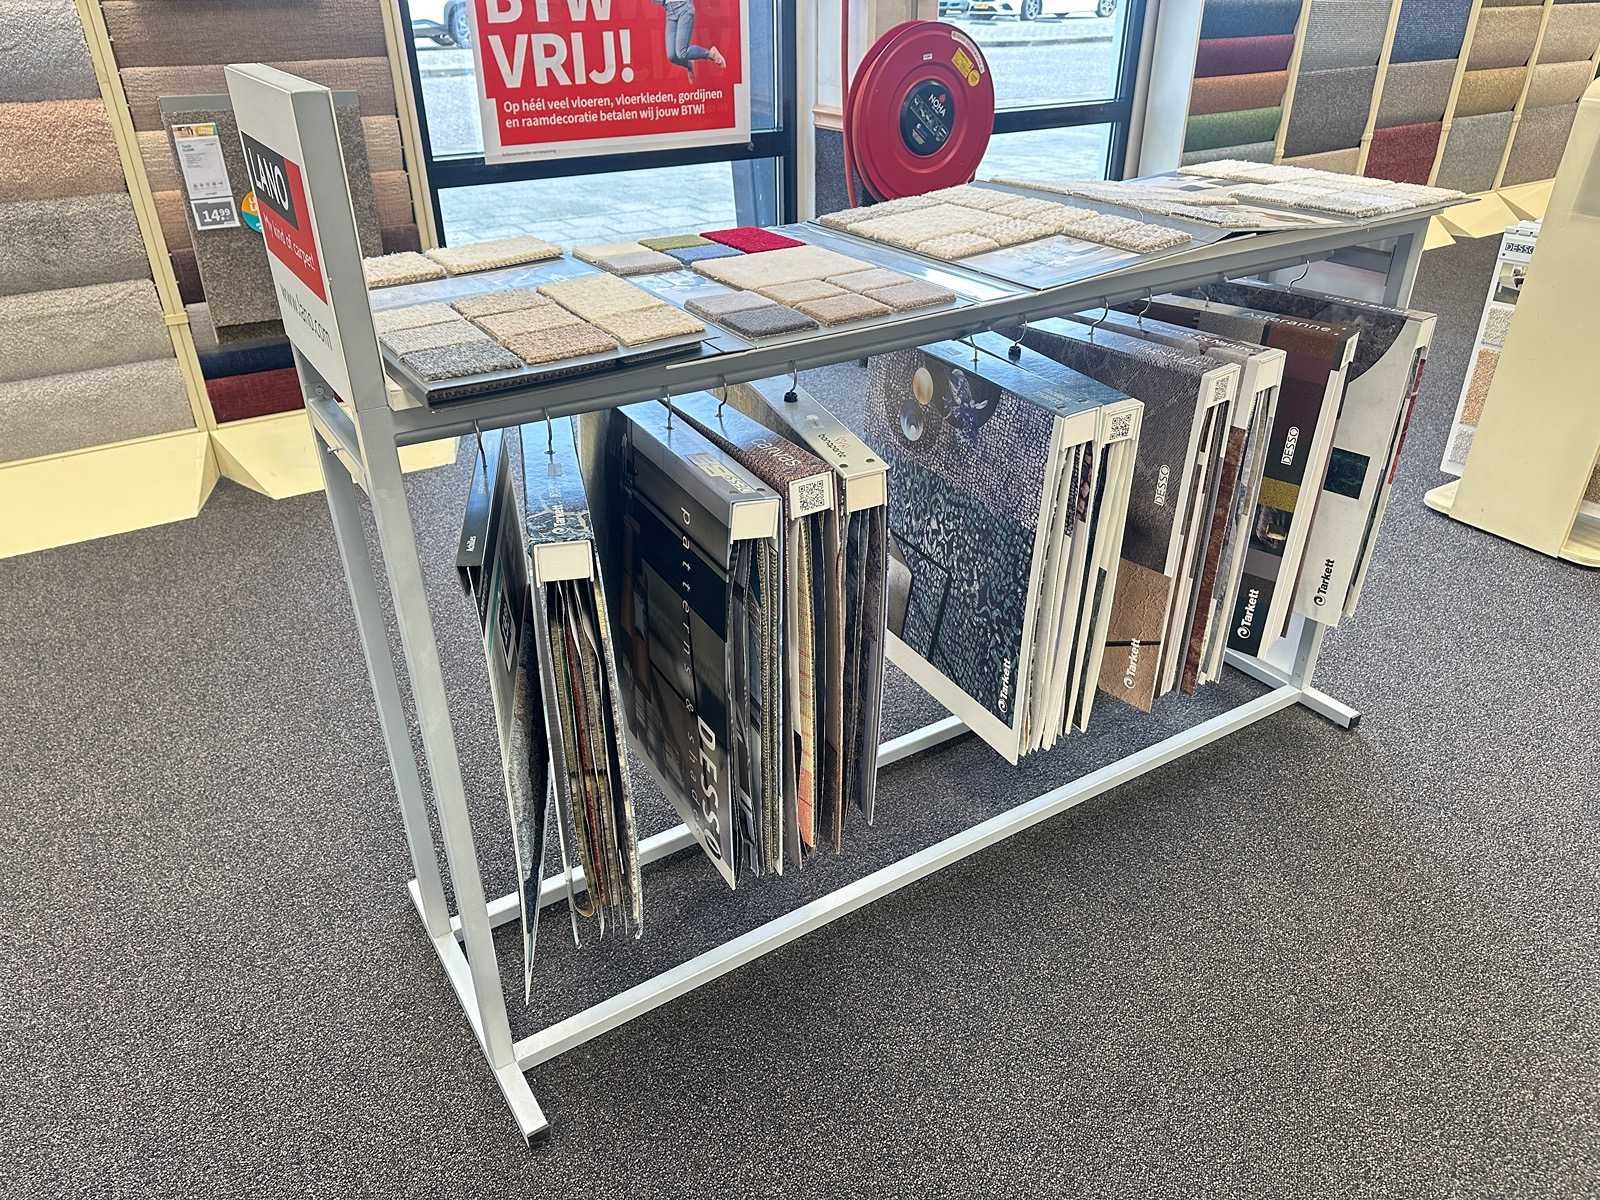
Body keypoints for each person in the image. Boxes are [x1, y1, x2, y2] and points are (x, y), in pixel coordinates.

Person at [654, 0, 725, 80]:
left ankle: (711, 54)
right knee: (672, 56)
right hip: (669, 11)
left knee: (682, 53)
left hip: (683, 7)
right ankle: (688, 64)